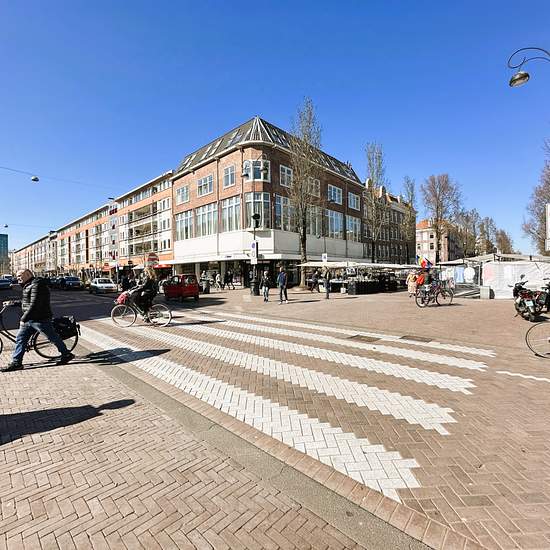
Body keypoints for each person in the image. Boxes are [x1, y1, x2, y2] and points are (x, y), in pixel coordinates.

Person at [1, 269, 75, 372]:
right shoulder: (28, 285)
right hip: (30, 318)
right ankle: (16, 362)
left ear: (28, 274)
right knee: (20, 339)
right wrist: (12, 303)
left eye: (20, 276)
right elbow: (26, 302)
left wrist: (23, 318)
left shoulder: (38, 285)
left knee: (52, 337)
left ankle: (66, 354)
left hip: (40, 319)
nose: (17, 278)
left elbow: (34, 304)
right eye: (17, 276)